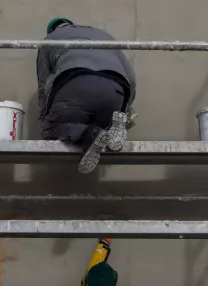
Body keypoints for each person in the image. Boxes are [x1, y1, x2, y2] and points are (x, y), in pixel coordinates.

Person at [37, 18, 137, 174]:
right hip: (116, 88)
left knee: (50, 130)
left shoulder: (49, 40)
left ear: (53, 30)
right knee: (101, 124)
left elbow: (43, 85)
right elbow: (130, 77)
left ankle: (89, 134)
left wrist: (47, 117)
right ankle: (113, 127)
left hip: (75, 84)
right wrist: (126, 109)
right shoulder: (105, 35)